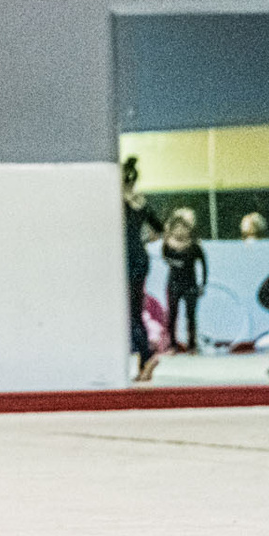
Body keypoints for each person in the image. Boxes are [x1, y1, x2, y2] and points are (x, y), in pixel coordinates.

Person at [122, 159, 162, 382]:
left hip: (126, 258)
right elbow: (160, 228)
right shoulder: (141, 202)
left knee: (129, 314)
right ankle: (145, 359)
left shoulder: (118, 202)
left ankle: (146, 357)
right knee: (135, 312)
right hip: (140, 257)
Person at [159, 208, 207, 353]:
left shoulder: (194, 246)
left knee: (191, 316)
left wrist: (203, 284)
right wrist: (177, 263)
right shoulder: (168, 244)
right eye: (177, 228)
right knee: (172, 315)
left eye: (183, 228)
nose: (180, 231)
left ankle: (192, 345)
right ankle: (172, 345)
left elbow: (204, 265)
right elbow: (165, 257)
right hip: (174, 283)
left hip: (190, 284)